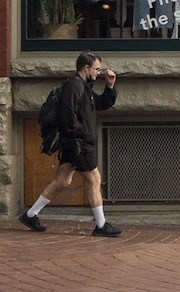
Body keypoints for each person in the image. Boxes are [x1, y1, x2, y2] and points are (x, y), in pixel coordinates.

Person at [20, 51, 122, 237]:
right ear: (86, 67)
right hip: (77, 143)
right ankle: (101, 225)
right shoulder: (74, 86)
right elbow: (68, 117)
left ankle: (30, 214)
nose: (98, 73)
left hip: (74, 142)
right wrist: (83, 134)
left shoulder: (84, 87)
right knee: (94, 179)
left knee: (63, 181)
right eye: (96, 69)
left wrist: (110, 86)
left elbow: (101, 103)